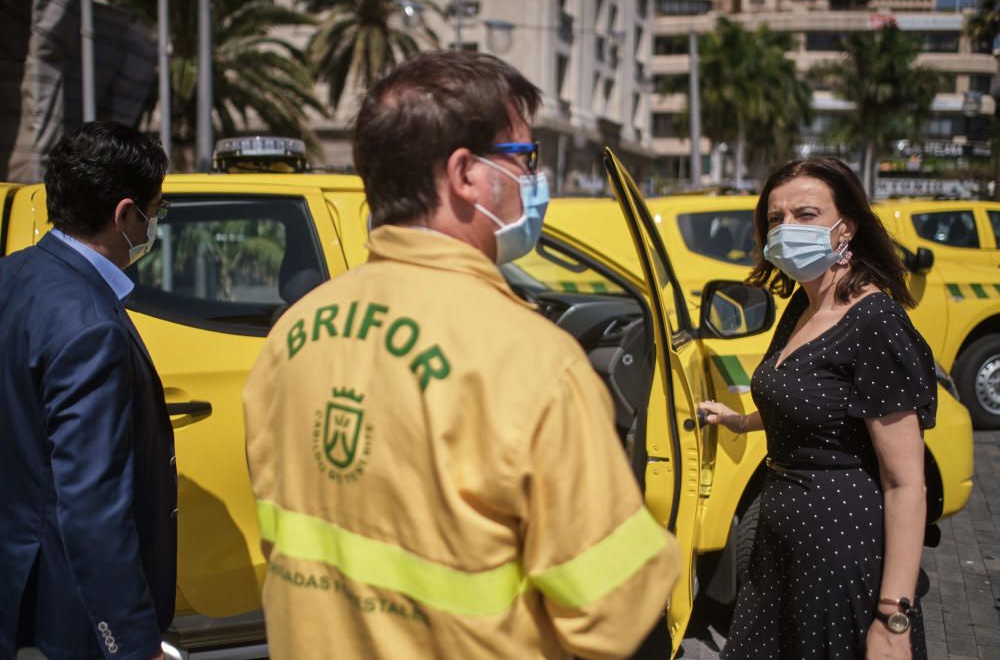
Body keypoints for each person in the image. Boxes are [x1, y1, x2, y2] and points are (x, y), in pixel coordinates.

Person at [243, 50, 681, 659]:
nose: (534, 179)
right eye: (525, 159)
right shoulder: (531, 358)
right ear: (465, 175)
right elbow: (612, 612)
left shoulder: (292, 334)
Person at [700, 157, 934, 659]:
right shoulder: (802, 307)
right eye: (776, 219)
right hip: (781, 542)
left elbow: (906, 483)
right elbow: (811, 402)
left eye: (805, 214)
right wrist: (740, 421)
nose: (787, 229)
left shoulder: (875, 320)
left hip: (840, 548)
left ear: (844, 227)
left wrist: (893, 618)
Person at [0, 122, 176, 660]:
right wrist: (130, 641)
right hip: (67, 615)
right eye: (154, 211)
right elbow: (93, 507)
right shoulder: (90, 323)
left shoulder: (12, 276)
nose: (153, 226)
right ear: (126, 215)